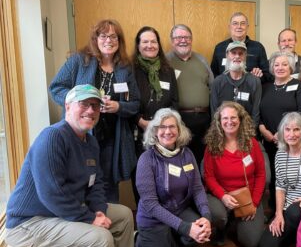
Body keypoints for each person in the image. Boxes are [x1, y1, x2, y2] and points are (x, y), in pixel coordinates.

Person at [5, 84, 134, 247]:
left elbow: (96, 183)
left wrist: (99, 210)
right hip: (28, 223)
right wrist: (90, 219)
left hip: (60, 212)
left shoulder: (91, 142)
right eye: (84, 104)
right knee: (101, 239)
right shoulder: (53, 137)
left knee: (125, 216)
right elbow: (52, 193)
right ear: (67, 106)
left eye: (95, 106)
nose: (90, 110)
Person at [49, 19, 140, 203]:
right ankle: (86, 222)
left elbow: (136, 103)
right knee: (80, 180)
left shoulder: (125, 68)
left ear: (119, 40)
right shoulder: (79, 61)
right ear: (95, 39)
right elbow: (56, 88)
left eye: (113, 36)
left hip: (112, 138)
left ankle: (111, 223)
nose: (109, 40)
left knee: (107, 183)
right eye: (104, 36)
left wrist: (119, 106)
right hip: (81, 135)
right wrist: (81, 100)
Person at [135, 108, 211, 247]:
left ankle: (177, 242)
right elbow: (150, 205)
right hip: (153, 221)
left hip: (179, 212)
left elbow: (197, 189)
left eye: (172, 126)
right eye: (162, 127)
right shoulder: (146, 159)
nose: (167, 131)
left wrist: (206, 217)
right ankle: (140, 243)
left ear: (179, 129)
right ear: (155, 131)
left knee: (200, 229)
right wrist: (185, 228)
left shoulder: (187, 154)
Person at [258, 112, 301, 247]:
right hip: (289, 210)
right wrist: (278, 214)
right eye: (287, 129)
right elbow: (280, 187)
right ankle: (296, 236)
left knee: (297, 211)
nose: (291, 134)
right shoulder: (280, 155)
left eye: (296, 129)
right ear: (282, 132)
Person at [204, 101, 266, 247]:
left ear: (240, 119)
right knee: (217, 214)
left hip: (248, 197)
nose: (229, 122)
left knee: (252, 243)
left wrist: (254, 203)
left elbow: (261, 174)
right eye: (225, 118)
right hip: (222, 196)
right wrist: (223, 196)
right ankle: (222, 226)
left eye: (233, 117)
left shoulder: (252, 144)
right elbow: (209, 177)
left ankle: (236, 221)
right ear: (219, 121)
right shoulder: (212, 146)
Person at [259, 51, 301, 211]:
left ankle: (294, 208)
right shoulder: (264, 87)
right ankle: (277, 209)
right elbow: (257, 111)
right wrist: (262, 129)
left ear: (290, 67)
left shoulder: (300, 86)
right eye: (276, 65)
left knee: (293, 174)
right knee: (275, 176)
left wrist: (282, 133)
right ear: (271, 68)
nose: (280, 68)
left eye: (284, 64)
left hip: (292, 140)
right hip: (268, 139)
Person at [131, 26, 179, 203]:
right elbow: (126, 101)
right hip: (138, 134)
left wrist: (164, 126)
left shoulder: (168, 71)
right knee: (142, 179)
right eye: (145, 41)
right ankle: (146, 220)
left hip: (164, 135)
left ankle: (167, 218)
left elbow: (174, 102)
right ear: (138, 45)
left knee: (165, 178)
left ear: (159, 45)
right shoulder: (130, 71)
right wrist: (140, 121)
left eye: (153, 41)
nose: (150, 45)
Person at [166, 24, 213, 165]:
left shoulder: (202, 60)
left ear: (191, 40)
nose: (183, 40)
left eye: (186, 37)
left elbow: (212, 86)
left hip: (204, 120)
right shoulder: (165, 61)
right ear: (172, 41)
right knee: (179, 161)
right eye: (179, 37)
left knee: (201, 160)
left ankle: (198, 187)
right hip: (179, 120)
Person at [210, 41, 262, 126]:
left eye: (241, 53)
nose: (237, 56)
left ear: (245, 57)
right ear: (227, 55)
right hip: (224, 132)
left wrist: (250, 134)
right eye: (233, 53)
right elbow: (214, 114)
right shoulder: (218, 82)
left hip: (246, 133)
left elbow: (255, 114)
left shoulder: (254, 81)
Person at [210, 12, 271, 82]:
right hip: (225, 90)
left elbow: (267, 75)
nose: (239, 26)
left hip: (251, 90)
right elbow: (213, 74)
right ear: (230, 27)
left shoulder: (258, 47)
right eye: (235, 23)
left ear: (247, 27)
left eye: (243, 23)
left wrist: (258, 76)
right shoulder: (219, 47)